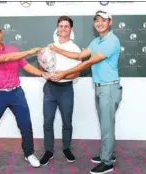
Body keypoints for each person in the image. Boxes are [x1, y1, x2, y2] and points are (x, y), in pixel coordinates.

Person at [49, 10, 122, 174]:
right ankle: (106, 154)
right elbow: (80, 55)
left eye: (104, 20)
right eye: (97, 20)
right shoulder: (97, 41)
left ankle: (107, 161)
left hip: (109, 87)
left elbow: (87, 62)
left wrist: (63, 74)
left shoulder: (112, 41)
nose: (100, 23)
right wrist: (58, 49)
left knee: (107, 126)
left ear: (110, 22)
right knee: (105, 125)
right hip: (100, 87)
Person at [0, 21, 48, 168]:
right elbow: (5, 59)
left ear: (1, 33)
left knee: (25, 125)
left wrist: (43, 73)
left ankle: (29, 153)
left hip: (16, 93)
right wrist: (30, 51)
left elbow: (26, 65)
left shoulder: (12, 48)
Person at [39, 16, 81, 166]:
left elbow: (77, 73)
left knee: (67, 122)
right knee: (47, 122)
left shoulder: (75, 49)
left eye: (66, 26)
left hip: (66, 89)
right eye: (61, 26)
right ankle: (49, 151)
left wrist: (62, 75)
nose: (63, 29)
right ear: (57, 28)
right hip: (50, 89)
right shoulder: (50, 47)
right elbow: (42, 65)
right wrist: (46, 73)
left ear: (71, 29)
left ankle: (66, 148)